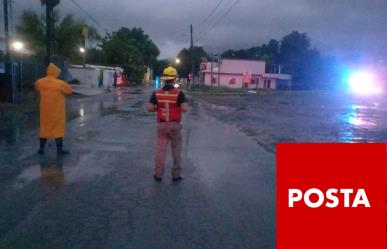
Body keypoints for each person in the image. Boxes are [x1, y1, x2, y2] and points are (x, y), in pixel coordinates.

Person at [147, 66, 189, 182]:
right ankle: (176, 175)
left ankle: (158, 174)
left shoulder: (157, 93)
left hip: (162, 125)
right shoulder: (179, 93)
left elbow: (149, 108)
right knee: (176, 151)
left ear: (164, 78)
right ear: (174, 79)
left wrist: (159, 109)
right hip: (175, 126)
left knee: (160, 150)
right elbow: (185, 109)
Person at [35, 63, 72, 155]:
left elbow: (36, 86)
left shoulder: (40, 82)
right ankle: (59, 150)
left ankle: (41, 149)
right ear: (56, 72)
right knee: (58, 130)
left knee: (44, 129)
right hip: (57, 111)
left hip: (45, 111)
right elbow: (69, 91)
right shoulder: (60, 83)